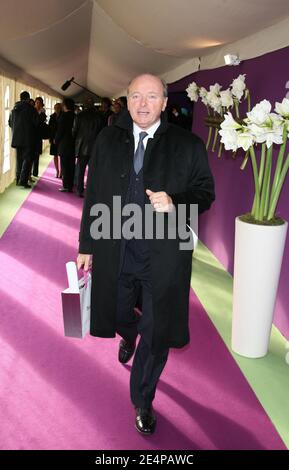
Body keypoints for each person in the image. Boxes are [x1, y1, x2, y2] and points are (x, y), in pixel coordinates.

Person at [77, 74, 215, 435]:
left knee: (157, 331)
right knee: (119, 311)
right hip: (115, 245)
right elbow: (93, 195)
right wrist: (86, 245)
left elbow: (205, 194)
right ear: (126, 99)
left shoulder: (188, 145)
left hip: (163, 254)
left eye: (151, 96)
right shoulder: (107, 139)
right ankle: (128, 333)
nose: (142, 104)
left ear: (165, 103)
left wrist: (176, 202)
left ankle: (143, 399)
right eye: (135, 95)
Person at [72, 96, 103, 197]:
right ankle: (91, 191)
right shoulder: (99, 116)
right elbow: (102, 132)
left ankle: (80, 190)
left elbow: (74, 131)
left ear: (84, 105)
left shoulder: (79, 116)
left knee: (80, 170)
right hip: (95, 147)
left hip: (82, 146)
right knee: (93, 171)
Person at [8, 91, 39, 188]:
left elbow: (10, 123)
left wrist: (16, 130)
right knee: (27, 159)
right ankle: (23, 180)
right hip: (28, 139)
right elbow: (36, 124)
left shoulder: (14, 109)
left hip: (17, 138)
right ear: (27, 99)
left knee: (19, 159)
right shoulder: (31, 109)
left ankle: (18, 179)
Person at [55, 98, 75, 193]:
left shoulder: (64, 116)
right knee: (71, 165)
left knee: (64, 165)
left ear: (65, 105)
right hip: (73, 143)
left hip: (64, 143)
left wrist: (56, 139)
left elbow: (60, 130)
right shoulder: (75, 116)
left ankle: (66, 185)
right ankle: (71, 184)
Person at [49, 103, 62, 178]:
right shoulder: (52, 117)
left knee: (62, 156)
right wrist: (50, 138)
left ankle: (61, 172)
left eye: (58, 108)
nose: (57, 109)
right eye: (55, 108)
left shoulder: (63, 116)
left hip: (61, 139)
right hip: (53, 138)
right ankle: (57, 170)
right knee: (55, 155)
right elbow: (50, 129)